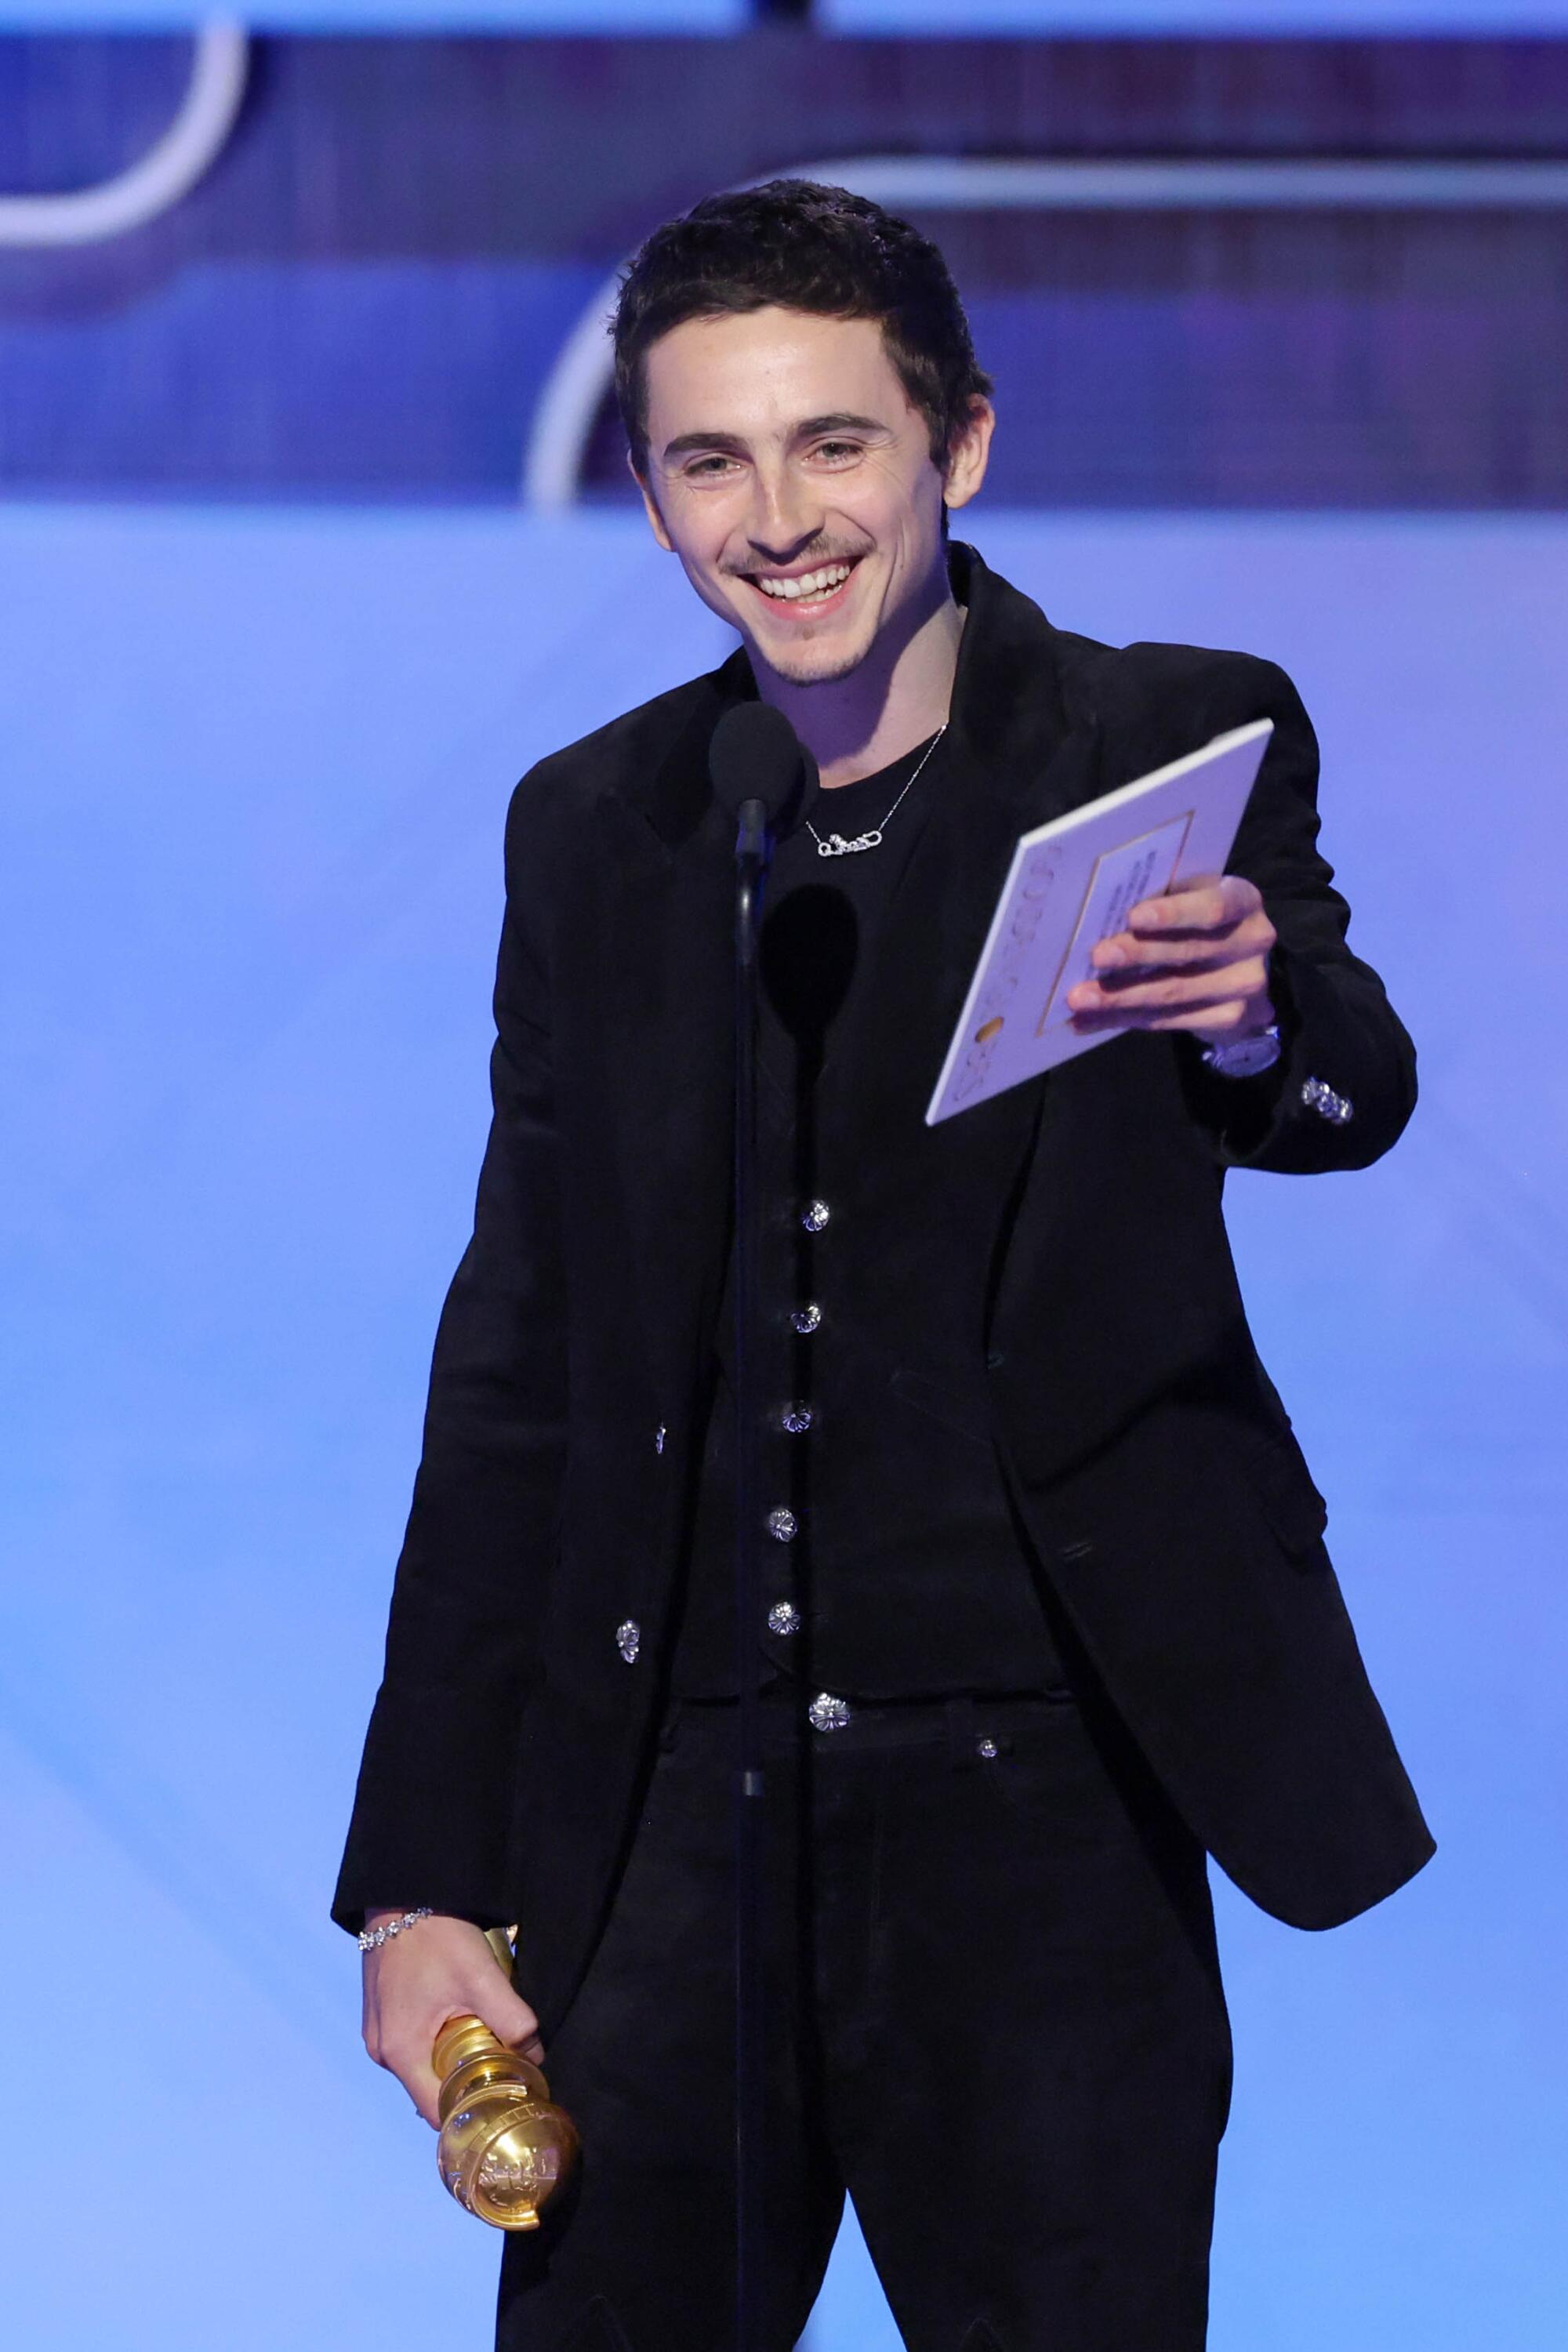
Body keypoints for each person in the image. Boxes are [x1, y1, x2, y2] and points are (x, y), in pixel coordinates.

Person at [335, 180, 1432, 2352]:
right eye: (708, 460)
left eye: (835, 444)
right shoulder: (600, 823)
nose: (779, 517)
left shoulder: (1161, 742)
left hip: (1041, 1822)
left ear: (962, 444)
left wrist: (1245, 1013)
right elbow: (522, 1363)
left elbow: (1344, 1077)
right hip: (667, 1826)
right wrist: (425, 1871)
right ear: (648, 495)